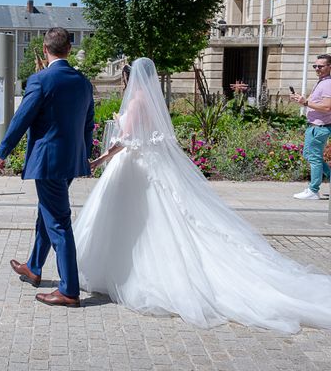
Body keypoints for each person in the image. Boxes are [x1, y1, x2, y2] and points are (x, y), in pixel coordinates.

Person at [73, 57, 331, 333]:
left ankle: (128, 270)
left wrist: (100, 160)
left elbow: (126, 140)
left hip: (134, 168)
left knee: (134, 221)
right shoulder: (152, 100)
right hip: (151, 164)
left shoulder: (136, 101)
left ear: (130, 77)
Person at [0, 27, 95, 308]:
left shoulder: (41, 80)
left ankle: (69, 290)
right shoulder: (83, 82)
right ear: (69, 50)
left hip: (48, 162)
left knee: (59, 222)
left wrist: (3, 150)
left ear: (44, 49)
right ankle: (34, 267)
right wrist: (83, 156)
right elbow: (88, 125)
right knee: (47, 213)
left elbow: (21, 119)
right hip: (70, 161)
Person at [290, 54, 331, 200]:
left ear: (329, 67)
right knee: (311, 155)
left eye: (321, 66)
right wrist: (302, 100)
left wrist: (305, 102)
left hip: (319, 127)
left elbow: (327, 107)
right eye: (315, 66)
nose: (317, 69)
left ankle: (313, 190)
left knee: (314, 158)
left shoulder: (327, 84)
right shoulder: (322, 82)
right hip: (314, 126)